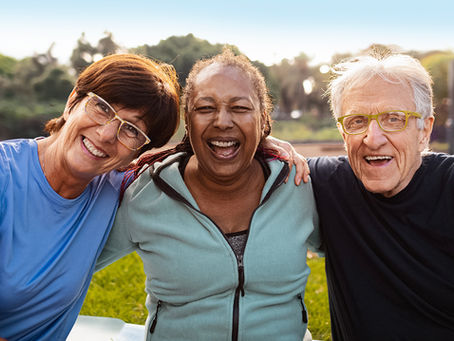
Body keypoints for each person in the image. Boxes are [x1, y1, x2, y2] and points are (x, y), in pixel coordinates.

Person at [97, 50, 320, 341]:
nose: (223, 121)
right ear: (188, 123)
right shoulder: (143, 195)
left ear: (264, 120)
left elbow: (357, 249)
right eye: (205, 108)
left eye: (240, 108)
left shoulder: (301, 185)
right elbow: (69, 264)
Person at [0, 53, 180, 340]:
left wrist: (261, 143)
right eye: (103, 108)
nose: (107, 134)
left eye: (131, 130)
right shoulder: (5, 175)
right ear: (73, 101)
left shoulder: (116, 188)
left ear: (137, 152)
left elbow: (193, 160)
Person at [308, 53, 454, 340]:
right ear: (342, 132)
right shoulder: (325, 185)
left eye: (394, 119)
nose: (373, 138)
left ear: (424, 130)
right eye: (357, 121)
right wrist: (268, 145)